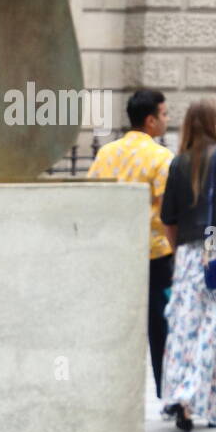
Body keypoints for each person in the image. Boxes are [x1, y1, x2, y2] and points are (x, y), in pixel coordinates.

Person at [87, 88, 172, 400]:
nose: (167, 120)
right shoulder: (162, 157)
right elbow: (166, 210)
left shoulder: (106, 153)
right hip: (155, 255)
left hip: (113, 253)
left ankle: (113, 392)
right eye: (164, 114)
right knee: (160, 326)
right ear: (150, 120)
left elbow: (93, 198)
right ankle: (167, 391)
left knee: (115, 326)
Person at [159, 96, 216, 432]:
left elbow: (167, 218)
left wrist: (180, 252)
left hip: (186, 254)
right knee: (213, 329)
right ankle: (208, 403)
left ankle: (181, 397)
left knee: (184, 329)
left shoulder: (178, 162)